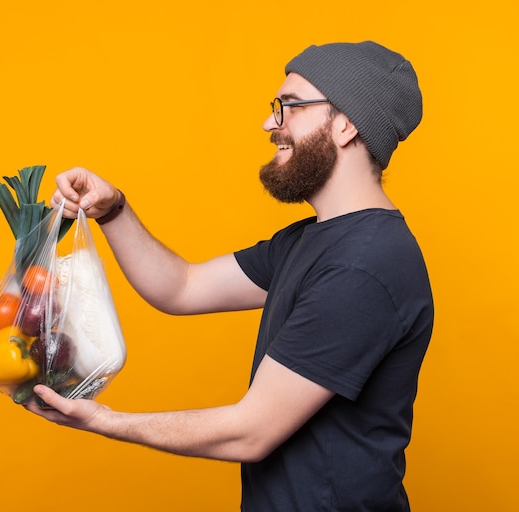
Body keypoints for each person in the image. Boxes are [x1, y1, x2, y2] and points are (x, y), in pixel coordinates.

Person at [25, 41, 434, 511]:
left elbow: (251, 432)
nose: (269, 124)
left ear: (345, 124)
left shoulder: (365, 264)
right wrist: (113, 209)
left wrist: (104, 420)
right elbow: (181, 287)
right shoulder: (312, 240)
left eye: (290, 107)